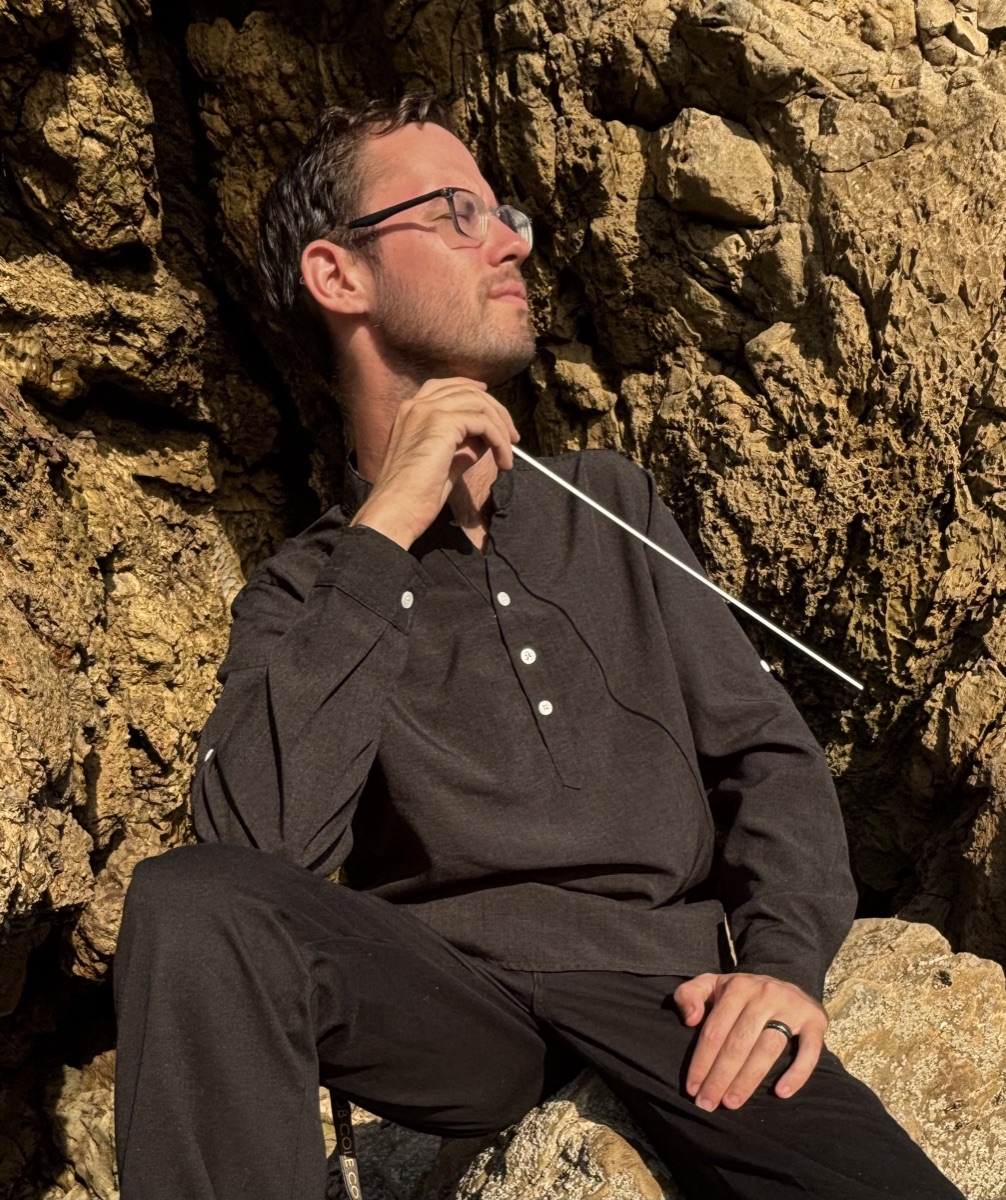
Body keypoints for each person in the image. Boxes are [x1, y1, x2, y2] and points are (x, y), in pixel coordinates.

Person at [112, 95, 964, 1200]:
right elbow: (249, 848)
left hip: (676, 1002)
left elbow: (768, 761)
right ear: (340, 276)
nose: (511, 239)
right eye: (456, 212)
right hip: (453, 1013)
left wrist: (781, 968)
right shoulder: (306, 585)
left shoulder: (612, 500)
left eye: (502, 211)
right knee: (188, 897)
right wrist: (391, 520)